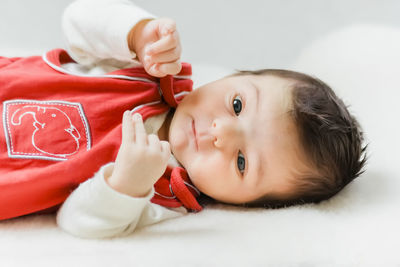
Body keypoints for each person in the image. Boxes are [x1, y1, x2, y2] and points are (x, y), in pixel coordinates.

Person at [0, 0, 367, 238]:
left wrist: (125, 185)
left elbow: (78, 221)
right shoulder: (147, 72)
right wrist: (138, 33)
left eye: (241, 162)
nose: (220, 132)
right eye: (237, 105)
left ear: (241, 204)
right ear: (232, 77)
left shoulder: (164, 196)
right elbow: (77, 18)